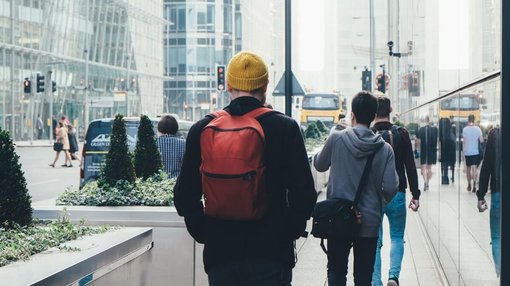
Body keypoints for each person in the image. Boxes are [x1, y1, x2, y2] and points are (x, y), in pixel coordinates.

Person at [173, 51, 317, 285]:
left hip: (221, 253)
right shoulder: (285, 128)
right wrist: (287, 232)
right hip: (272, 251)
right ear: (265, 86)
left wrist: (206, 233)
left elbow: (184, 196)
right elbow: (304, 193)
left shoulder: (203, 128)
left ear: (228, 85)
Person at [314, 91, 398, 286]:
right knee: (363, 277)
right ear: (373, 117)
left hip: (337, 218)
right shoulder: (385, 149)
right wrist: (377, 202)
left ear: (352, 114)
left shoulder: (336, 139)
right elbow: (392, 188)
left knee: (336, 271)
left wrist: (331, 136)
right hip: (369, 221)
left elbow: (319, 164)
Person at [371, 97, 420, 286]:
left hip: (374, 196)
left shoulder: (369, 134)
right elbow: (410, 167)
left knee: (375, 241)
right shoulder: (402, 134)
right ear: (390, 110)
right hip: (398, 193)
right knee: (397, 237)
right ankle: (393, 276)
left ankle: (376, 282)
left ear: (374, 112)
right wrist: (415, 194)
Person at [477, 127, 500, 277]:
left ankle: (501, 272)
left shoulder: (495, 135)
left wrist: (481, 196)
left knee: (497, 237)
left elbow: (486, 167)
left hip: (498, 193)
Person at [156, 115, 186, 179]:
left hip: (158, 183)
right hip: (178, 182)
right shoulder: (184, 144)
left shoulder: (154, 144)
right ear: (176, 128)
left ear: (159, 128)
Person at [415, 116, 438, 191]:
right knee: (429, 168)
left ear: (425, 120)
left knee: (423, 169)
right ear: (430, 120)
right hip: (431, 151)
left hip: (423, 150)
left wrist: (417, 149)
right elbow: (436, 141)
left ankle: (425, 181)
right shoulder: (434, 130)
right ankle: (427, 182)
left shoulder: (421, 129)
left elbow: (418, 141)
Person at [463, 114, 484, 193]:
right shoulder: (478, 129)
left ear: (468, 120)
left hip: (467, 152)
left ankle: (469, 185)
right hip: (475, 152)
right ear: (474, 120)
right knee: (474, 168)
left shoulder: (465, 129)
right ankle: (475, 184)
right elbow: (481, 140)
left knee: (468, 169)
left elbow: (464, 142)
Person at [439, 118, 457, 185]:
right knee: (452, 163)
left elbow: (440, 142)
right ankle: (452, 175)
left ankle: (444, 177)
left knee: (444, 164)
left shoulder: (441, 132)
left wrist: (440, 153)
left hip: (444, 149)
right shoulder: (452, 130)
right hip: (452, 149)